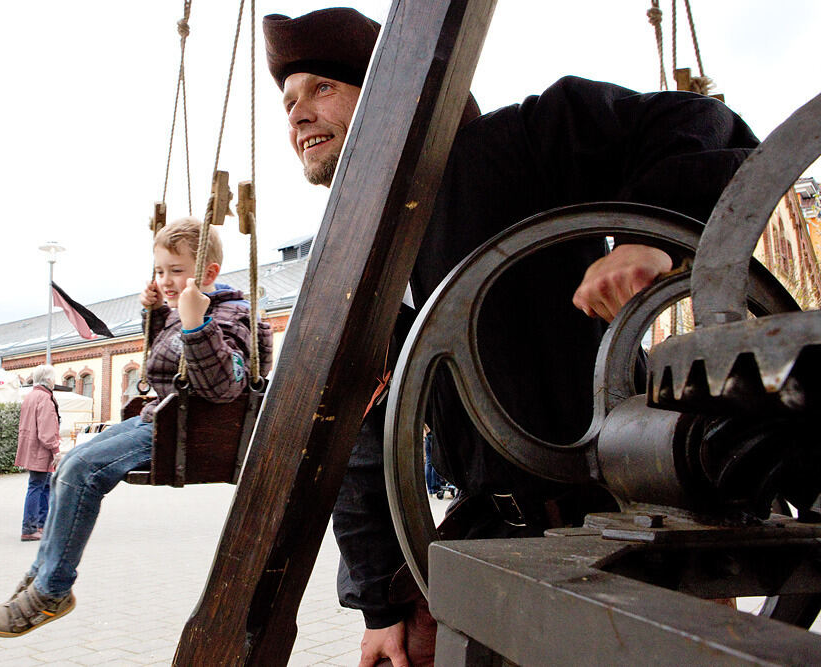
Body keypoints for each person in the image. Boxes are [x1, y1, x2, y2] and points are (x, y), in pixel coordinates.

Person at [263, 8, 759, 665]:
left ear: (394, 95)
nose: (296, 114)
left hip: (631, 521)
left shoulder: (516, 144)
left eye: (322, 88)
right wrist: (382, 607)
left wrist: (647, 234)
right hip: (492, 539)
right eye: (290, 100)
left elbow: (699, 123)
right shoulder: (362, 261)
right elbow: (362, 437)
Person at [0, 216, 273, 637]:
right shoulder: (181, 309)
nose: (167, 280)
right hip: (162, 416)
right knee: (70, 462)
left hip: (189, 428)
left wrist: (197, 323)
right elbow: (166, 361)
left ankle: (51, 590)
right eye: (160, 271)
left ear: (209, 272)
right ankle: (41, 572)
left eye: (177, 270)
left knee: (84, 472)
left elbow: (224, 387)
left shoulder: (230, 316)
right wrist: (155, 313)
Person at [15, 364, 61, 542]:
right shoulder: (44, 398)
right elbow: (47, 429)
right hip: (40, 450)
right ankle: (30, 528)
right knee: (37, 486)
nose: (55, 381)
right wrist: (55, 449)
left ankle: (41, 524)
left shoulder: (31, 396)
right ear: (48, 379)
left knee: (43, 486)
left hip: (31, 447)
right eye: (54, 378)